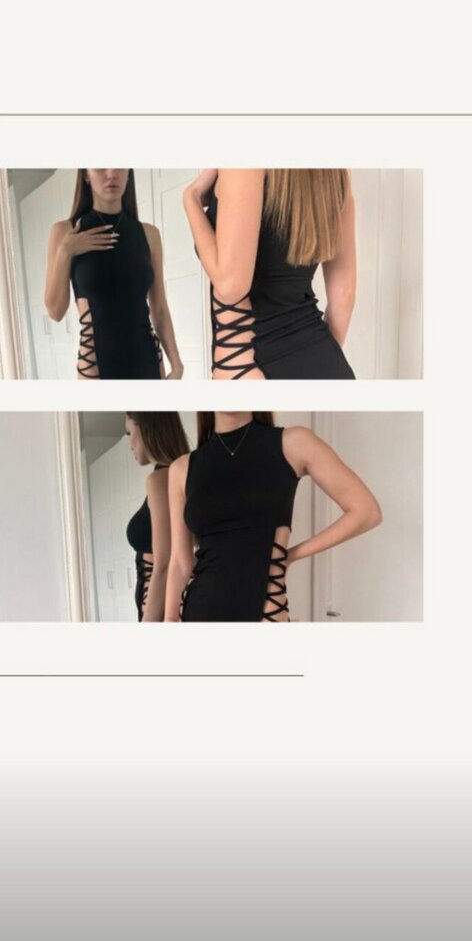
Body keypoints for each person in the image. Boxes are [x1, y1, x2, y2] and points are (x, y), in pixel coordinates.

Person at [165, 411, 381, 621]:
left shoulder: (293, 443)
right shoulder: (182, 469)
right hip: (199, 611)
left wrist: (292, 555)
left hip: (266, 614)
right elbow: (180, 562)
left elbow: (366, 511)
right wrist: (170, 618)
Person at [183, 169, 357, 379]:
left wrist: (191, 198)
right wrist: (320, 360)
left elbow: (230, 287)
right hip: (325, 360)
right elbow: (344, 294)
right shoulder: (334, 175)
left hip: (249, 366)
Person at [44, 169, 183, 379]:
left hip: (148, 363)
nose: (112, 173)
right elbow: (55, 312)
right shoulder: (65, 232)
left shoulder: (149, 234)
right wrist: (65, 251)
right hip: (95, 369)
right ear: (86, 175)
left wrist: (177, 364)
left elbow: (160, 309)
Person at [124, 412, 190, 621]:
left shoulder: (160, 480)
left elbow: (164, 565)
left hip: (159, 612)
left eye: (129, 433)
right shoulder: (183, 473)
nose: (129, 444)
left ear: (146, 428)